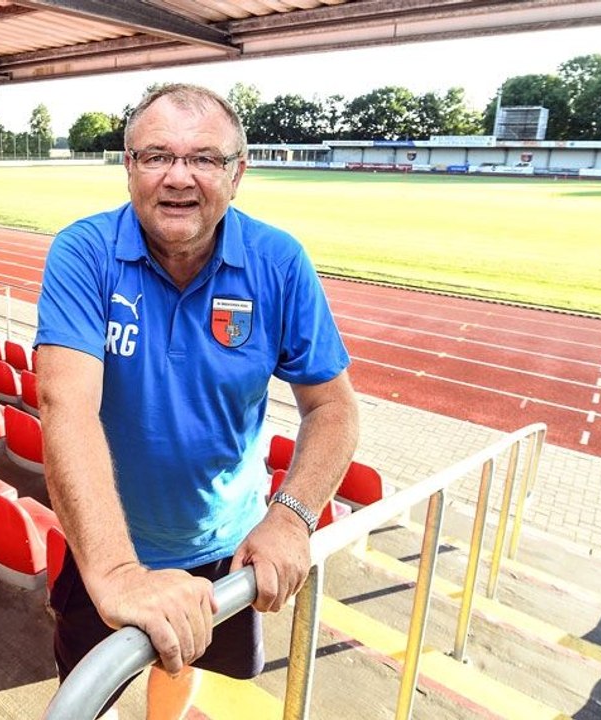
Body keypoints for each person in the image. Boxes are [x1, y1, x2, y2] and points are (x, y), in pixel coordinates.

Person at [35, 84, 359, 718]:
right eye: (157, 155)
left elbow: (334, 407)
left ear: (238, 174)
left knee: (184, 660)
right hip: (106, 543)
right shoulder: (84, 253)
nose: (179, 177)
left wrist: (290, 517)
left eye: (204, 158)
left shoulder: (278, 262)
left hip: (226, 544)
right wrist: (118, 573)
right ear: (129, 167)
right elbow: (65, 405)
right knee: (86, 688)